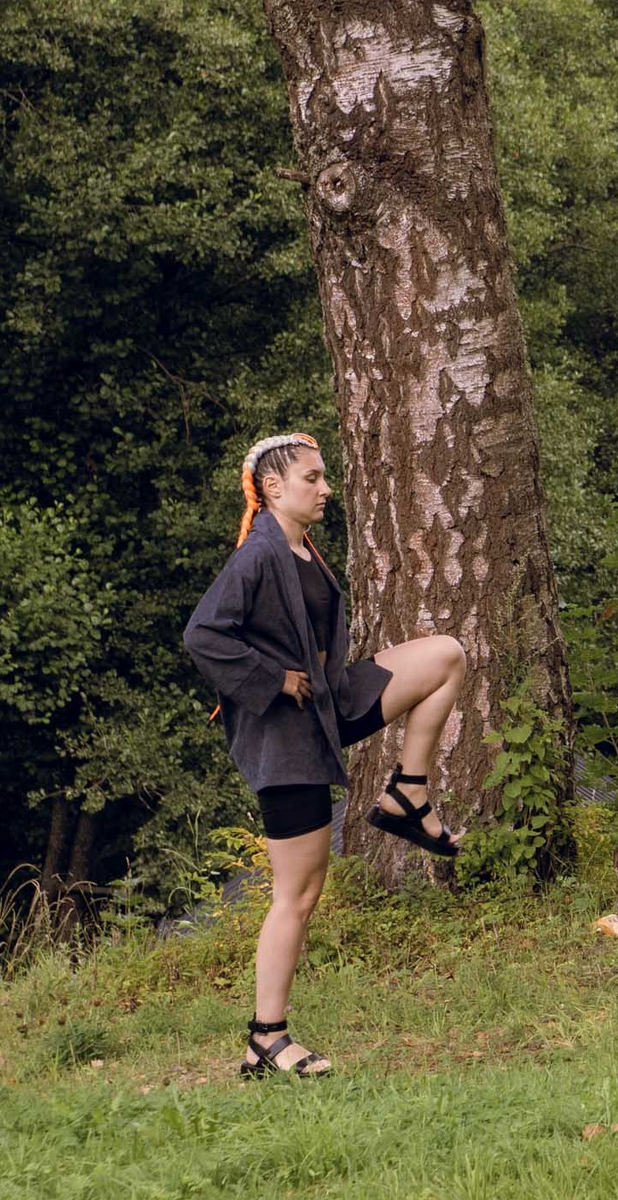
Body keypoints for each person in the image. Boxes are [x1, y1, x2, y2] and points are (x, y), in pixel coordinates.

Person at [183, 432, 471, 1079]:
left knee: (445, 656)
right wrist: (272, 680)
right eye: (312, 478)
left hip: (327, 707)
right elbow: (202, 635)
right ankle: (267, 1039)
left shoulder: (302, 549)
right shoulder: (257, 553)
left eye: (324, 477)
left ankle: (408, 794)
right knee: (299, 892)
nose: (325, 488)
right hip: (284, 737)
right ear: (275, 487)